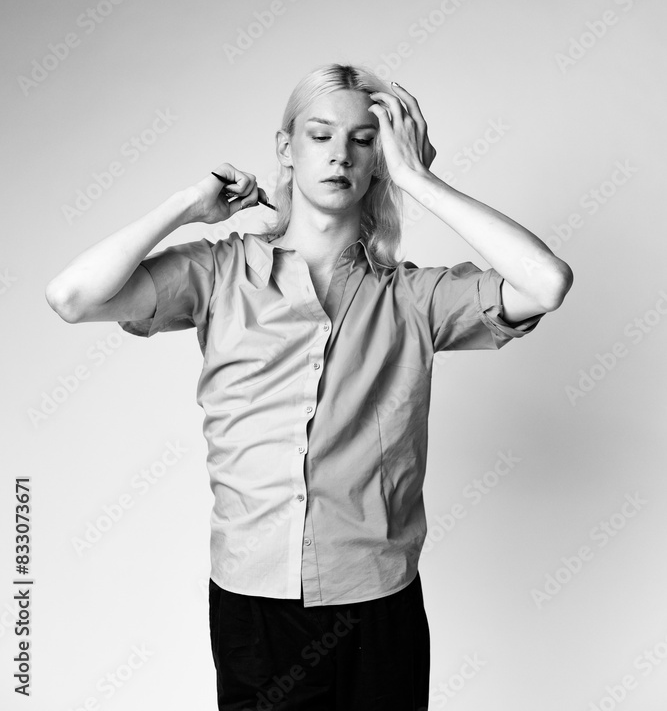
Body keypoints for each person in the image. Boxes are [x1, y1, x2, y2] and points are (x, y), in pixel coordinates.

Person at [45, 62, 574, 710]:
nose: (339, 155)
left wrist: (417, 178)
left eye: (362, 140)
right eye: (320, 135)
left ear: (378, 159)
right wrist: (188, 206)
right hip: (252, 599)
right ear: (284, 149)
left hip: (377, 600)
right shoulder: (219, 273)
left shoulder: (415, 297)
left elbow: (543, 283)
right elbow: (71, 297)